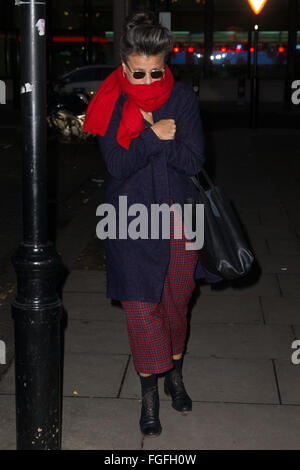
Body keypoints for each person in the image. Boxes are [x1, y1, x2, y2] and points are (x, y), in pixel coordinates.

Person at [83, 10, 222, 438]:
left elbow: (196, 160)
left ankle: (174, 374)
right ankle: (149, 394)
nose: (146, 82)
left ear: (166, 63)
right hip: (129, 220)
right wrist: (149, 136)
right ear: (124, 65)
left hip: (181, 219)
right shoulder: (110, 101)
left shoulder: (181, 100)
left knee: (175, 306)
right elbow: (117, 164)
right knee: (141, 310)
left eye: (155, 73)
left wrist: (168, 137)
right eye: (138, 73)